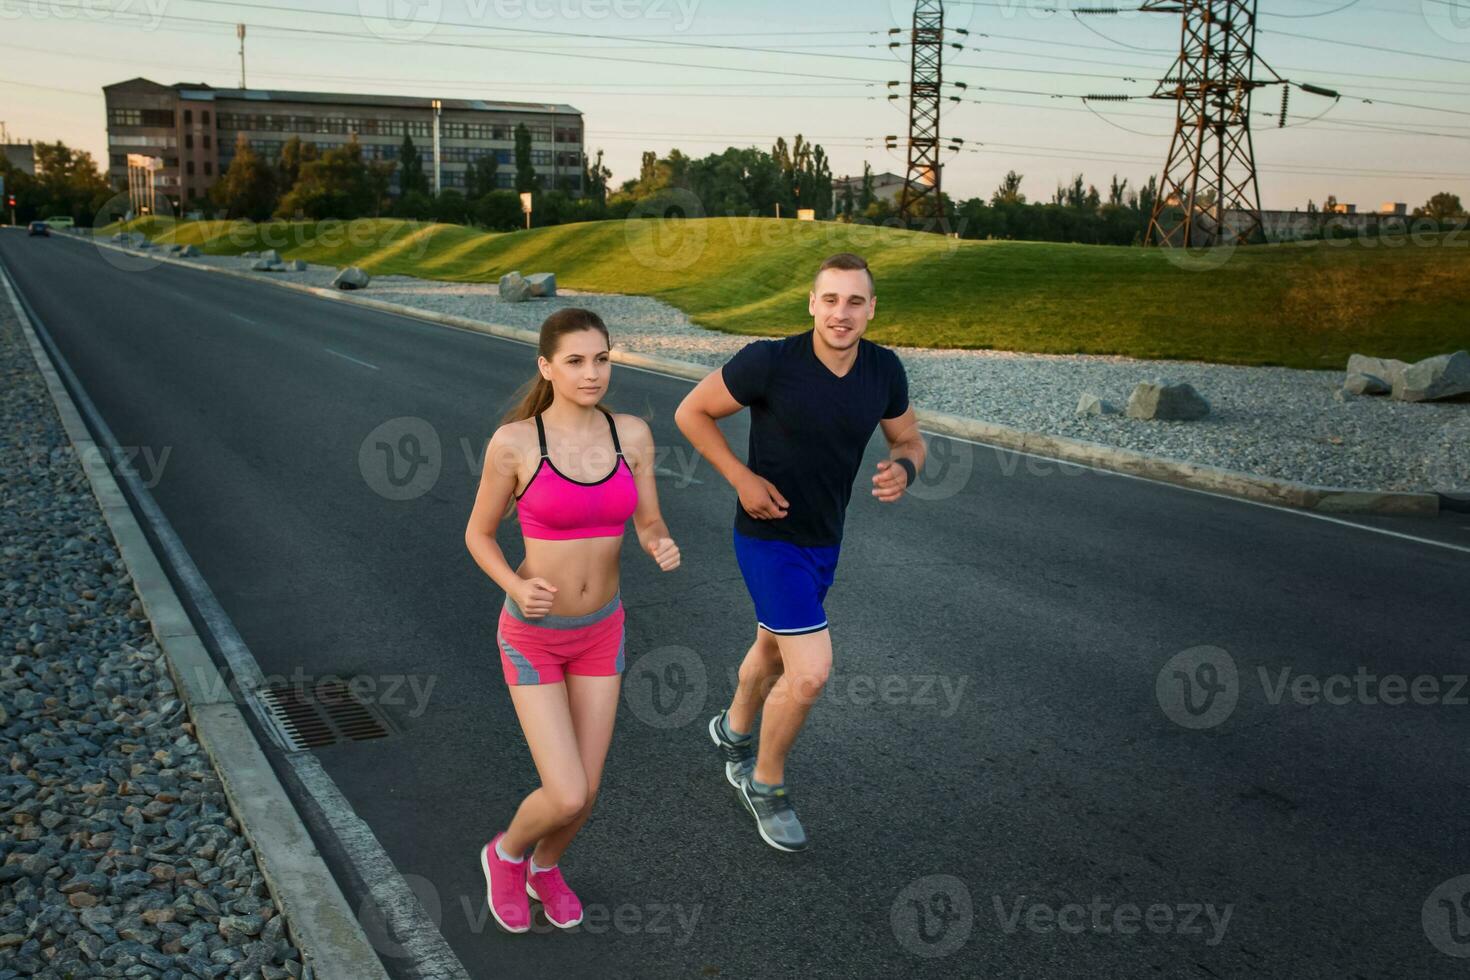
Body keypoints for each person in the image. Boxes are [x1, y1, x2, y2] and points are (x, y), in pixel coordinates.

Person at [674, 252, 926, 852]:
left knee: (774, 647)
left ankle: (733, 731)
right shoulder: (771, 360)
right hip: (767, 537)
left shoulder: (884, 370)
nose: (842, 313)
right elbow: (693, 412)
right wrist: (740, 477)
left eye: (855, 301)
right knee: (810, 669)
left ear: (872, 310)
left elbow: (909, 436)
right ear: (812, 303)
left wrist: (906, 469)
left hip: (823, 539)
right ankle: (764, 782)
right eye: (831, 299)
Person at [465, 308, 680, 932]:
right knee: (564, 791)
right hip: (533, 635)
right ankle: (505, 856)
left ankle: (546, 867)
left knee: (588, 787)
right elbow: (478, 535)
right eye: (577, 361)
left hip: (601, 632)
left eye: (602, 359)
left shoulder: (632, 435)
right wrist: (514, 582)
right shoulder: (514, 443)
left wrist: (658, 541)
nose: (593, 373)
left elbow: (648, 520)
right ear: (547, 367)